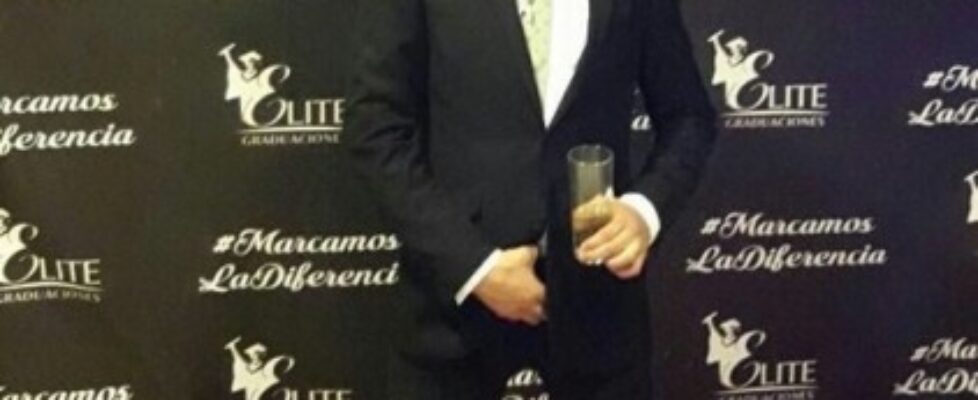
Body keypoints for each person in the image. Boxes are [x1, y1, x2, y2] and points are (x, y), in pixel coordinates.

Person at [344, 0, 717, 397]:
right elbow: (375, 126)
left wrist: (644, 212)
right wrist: (474, 268)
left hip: (597, 306)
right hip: (451, 312)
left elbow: (688, 116)